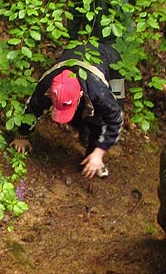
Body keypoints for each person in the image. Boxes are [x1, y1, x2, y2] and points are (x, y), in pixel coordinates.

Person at [11, 41, 124, 178]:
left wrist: (98, 152)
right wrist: (22, 135)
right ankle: (84, 130)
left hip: (111, 62)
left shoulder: (99, 93)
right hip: (77, 53)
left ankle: (93, 156)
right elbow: (33, 106)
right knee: (80, 117)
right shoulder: (49, 84)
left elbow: (115, 119)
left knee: (101, 116)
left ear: (81, 94)